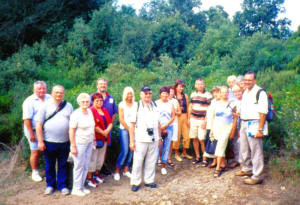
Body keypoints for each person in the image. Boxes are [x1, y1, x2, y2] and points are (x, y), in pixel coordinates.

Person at [36, 85, 73, 195]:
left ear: (64, 94)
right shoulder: (45, 106)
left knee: (63, 164)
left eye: (61, 92)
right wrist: (40, 141)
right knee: (49, 164)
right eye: (56, 92)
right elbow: (38, 125)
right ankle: (50, 185)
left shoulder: (68, 106)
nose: (58, 94)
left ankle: (62, 186)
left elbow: (72, 124)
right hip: (49, 141)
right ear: (52, 93)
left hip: (65, 141)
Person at [235, 72, 268, 185]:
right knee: (244, 148)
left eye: (249, 80)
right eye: (245, 80)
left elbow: (263, 112)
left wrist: (260, 129)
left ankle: (257, 175)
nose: (247, 82)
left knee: (256, 150)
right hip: (244, 123)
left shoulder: (260, 92)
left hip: (255, 123)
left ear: (255, 80)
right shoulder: (246, 92)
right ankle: (247, 169)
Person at [129, 86, 162, 192]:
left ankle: (149, 180)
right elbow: (132, 125)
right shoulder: (136, 106)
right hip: (141, 138)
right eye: (145, 93)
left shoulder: (155, 105)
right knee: (138, 161)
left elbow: (158, 123)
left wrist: (160, 138)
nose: (148, 95)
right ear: (141, 94)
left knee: (152, 160)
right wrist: (131, 141)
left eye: (149, 93)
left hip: (154, 138)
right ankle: (135, 182)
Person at [22, 81, 52, 182]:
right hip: (33, 129)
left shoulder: (49, 97)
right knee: (35, 151)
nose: (41, 90)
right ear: (34, 90)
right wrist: (31, 134)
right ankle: (34, 172)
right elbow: (27, 119)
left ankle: (49, 171)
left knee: (48, 149)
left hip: (46, 129)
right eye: (39, 89)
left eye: (43, 88)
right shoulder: (29, 101)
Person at [68, 93, 95, 196]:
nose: (85, 103)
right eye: (83, 101)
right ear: (79, 102)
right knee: (79, 165)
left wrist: (94, 139)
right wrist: (73, 146)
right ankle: (76, 188)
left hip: (89, 142)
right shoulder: (75, 114)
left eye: (87, 101)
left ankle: (82, 186)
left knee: (86, 165)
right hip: (79, 143)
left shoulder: (89, 111)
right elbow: (71, 131)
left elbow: (92, 127)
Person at [92, 78, 118, 175]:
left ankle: (102, 167)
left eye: (104, 84)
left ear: (106, 85)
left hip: (107, 129)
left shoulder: (110, 97)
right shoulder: (93, 96)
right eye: (101, 84)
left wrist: (109, 124)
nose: (103, 86)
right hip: (96, 129)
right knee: (95, 150)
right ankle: (92, 172)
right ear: (97, 85)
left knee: (105, 149)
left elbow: (114, 112)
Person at [209, 86, 237, 177]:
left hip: (227, 127)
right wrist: (212, 130)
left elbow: (235, 118)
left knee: (221, 144)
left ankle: (218, 168)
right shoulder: (216, 104)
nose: (225, 94)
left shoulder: (232, 104)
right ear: (220, 93)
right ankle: (223, 164)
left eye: (226, 92)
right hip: (217, 126)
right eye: (223, 92)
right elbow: (213, 117)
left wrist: (233, 131)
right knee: (219, 144)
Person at [87, 93, 112, 187]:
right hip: (95, 138)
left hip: (104, 138)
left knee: (100, 158)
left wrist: (107, 131)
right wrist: (103, 132)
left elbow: (110, 122)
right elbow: (93, 125)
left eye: (101, 100)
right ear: (93, 101)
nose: (99, 102)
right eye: (97, 100)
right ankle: (90, 178)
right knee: (93, 158)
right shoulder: (91, 111)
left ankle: (97, 174)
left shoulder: (104, 110)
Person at [114, 87, 136, 181]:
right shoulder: (121, 104)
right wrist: (129, 129)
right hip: (124, 129)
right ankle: (117, 170)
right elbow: (121, 119)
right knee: (125, 150)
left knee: (132, 150)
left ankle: (126, 169)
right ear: (125, 95)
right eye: (128, 94)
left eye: (131, 93)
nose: (130, 95)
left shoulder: (136, 104)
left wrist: (133, 130)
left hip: (134, 129)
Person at [188, 78, 212, 166]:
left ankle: (205, 158)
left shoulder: (208, 95)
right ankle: (198, 156)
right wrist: (188, 118)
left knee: (202, 139)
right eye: (198, 84)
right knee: (194, 138)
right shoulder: (193, 94)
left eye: (201, 84)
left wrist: (206, 121)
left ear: (204, 84)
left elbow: (210, 109)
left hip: (202, 120)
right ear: (195, 85)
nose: (199, 86)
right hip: (193, 119)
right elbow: (190, 106)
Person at [155, 86, 175, 175]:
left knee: (166, 147)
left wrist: (165, 126)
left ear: (168, 94)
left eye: (166, 93)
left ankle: (163, 165)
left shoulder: (171, 104)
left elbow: (173, 117)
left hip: (169, 127)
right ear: (160, 94)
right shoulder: (155, 103)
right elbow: (154, 117)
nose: (165, 95)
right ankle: (153, 165)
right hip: (157, 128)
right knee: (156, 146)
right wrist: (161, 128)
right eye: (163, 93)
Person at [172, 80, 192, 162]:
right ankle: (176, 154)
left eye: (182, 86)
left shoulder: (185, 96)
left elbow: (187, 107)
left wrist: (188, 118)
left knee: (186, 136)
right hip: (176, 117)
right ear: (176, 87)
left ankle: (184, 152)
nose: (181, 88)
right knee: (177, 136)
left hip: (184, 116)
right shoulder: (173, 96)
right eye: (180, 86)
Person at [227, 85, 243, 168]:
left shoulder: (245, 100)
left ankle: (243, 162)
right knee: (235, 143)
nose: (237, 93)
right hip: (234, 125)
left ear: (242, 91)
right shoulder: (232, 101)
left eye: (239, 91)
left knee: (242, 143)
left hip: (243, 125)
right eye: (235, 92)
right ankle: (237, 160)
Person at [167, 86, 181, 166]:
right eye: (170, 91)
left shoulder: (175, 101)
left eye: (172, 92)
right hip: (165, 124)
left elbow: (180, 112)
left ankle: (169, 158)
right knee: (163, 141)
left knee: (171, 141)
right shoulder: (163, 101)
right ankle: (159, 158)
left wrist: (174, 112)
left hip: (174, 122)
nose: (171, 93)